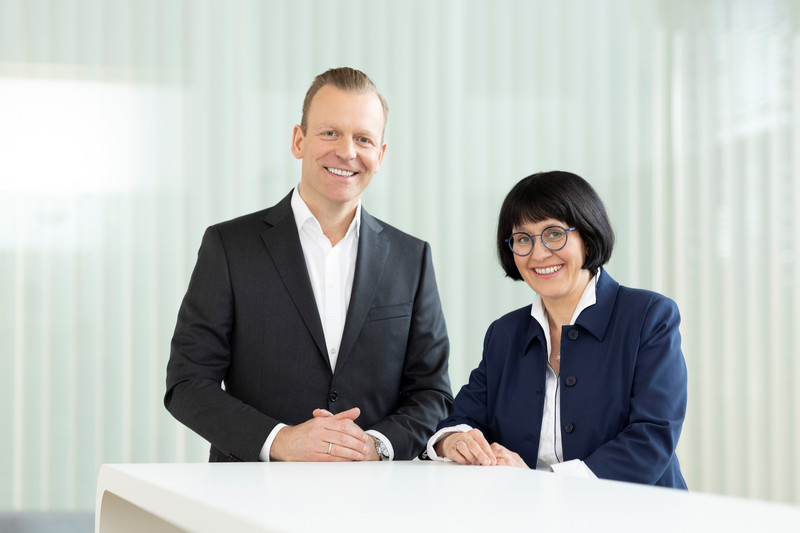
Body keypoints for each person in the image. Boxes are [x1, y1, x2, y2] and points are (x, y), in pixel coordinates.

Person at [165, 67, 452, 463]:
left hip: (377, 500)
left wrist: (375, 446)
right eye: (330, 133)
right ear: (299, 140)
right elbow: (187, 383)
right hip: (250, 498)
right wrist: (280, 440)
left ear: (380, 155)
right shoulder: (230, 247)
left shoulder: (411, 258)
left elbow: (432, 392)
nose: (348, 152)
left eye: (363, 139)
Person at [426, 171, 688, 488]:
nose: (538, 254)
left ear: (587, 238)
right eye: (522, 239)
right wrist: (454, 440)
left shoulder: (648, 317)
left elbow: (651, 440)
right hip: (526, 513)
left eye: (554, 234)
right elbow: (460, 420)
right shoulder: (505, 333)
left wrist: (541, 482)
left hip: (631, 513)